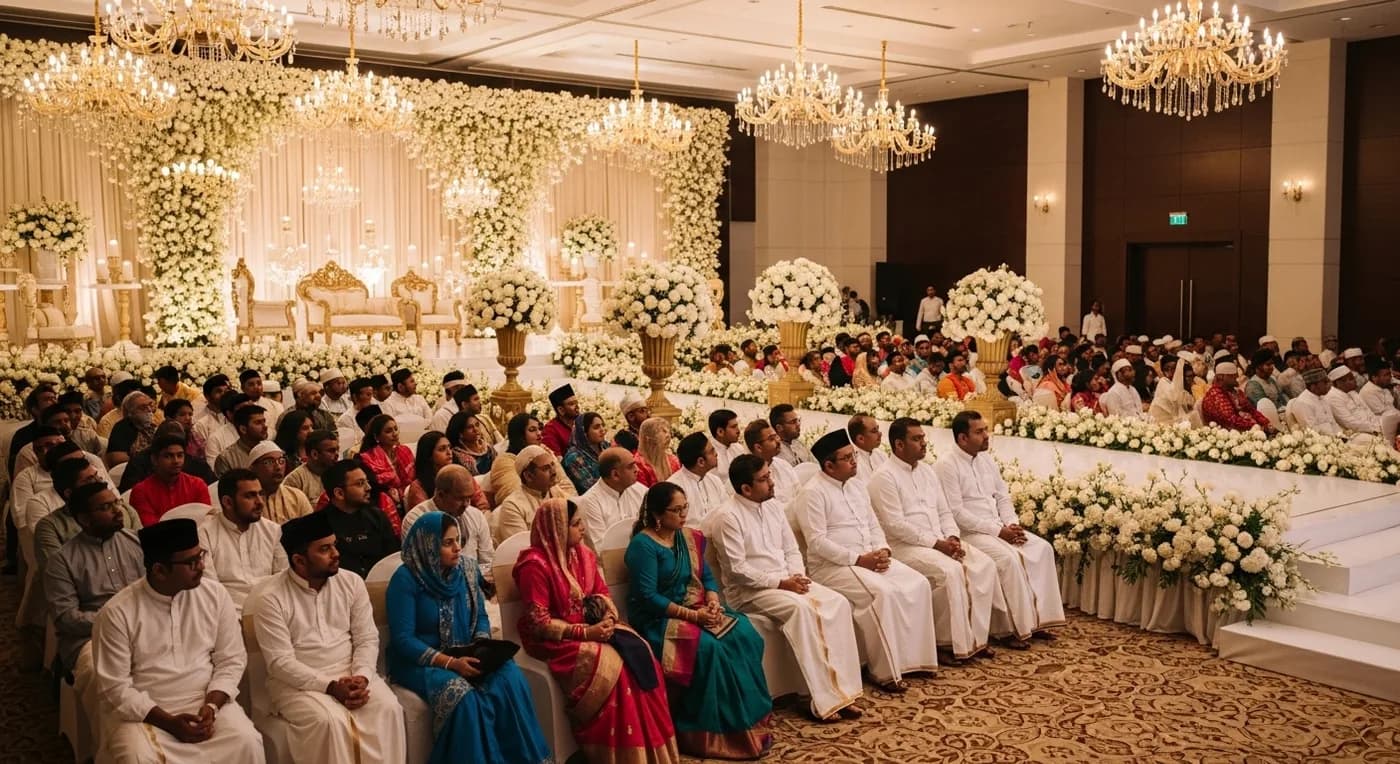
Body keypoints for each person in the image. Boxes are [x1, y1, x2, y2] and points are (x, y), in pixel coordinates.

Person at [513, 499, 681, 763]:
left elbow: (601, 592)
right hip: (557, 638)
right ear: (557, 528)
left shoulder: (583, 554)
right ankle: (618, 754)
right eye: (576, 524)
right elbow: (539, 622)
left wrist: (609, 619)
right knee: (614, 669)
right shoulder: (534, 565)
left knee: (641, 652)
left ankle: (653, 750)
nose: (583, 529)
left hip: (596, 627)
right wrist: (586, 633)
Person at [91, 518, 263, 764]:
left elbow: (232, 659)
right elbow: (115, 688)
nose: (201, 566)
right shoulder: (117, 612)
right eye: (191, 562)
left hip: (204, 699)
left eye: (200, 556)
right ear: (159, 570)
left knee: (248, 742)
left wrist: (212, 707)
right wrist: (170, 723)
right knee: (137, 757)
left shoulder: (214, 594)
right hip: (145, 711)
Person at [624, 482, 773, 758]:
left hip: (699, 607)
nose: (683, 515)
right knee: (709, 650)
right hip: (660, 619)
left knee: (744, 634)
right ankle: (711, 732)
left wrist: (714, 601)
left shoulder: (689, 537)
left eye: (685, 508)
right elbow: (647, 597)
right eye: (676, 510)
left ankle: (751, 720)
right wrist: (693, 616)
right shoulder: (643, 546)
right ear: (658, 515)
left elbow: (705, 577)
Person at [710, 454, 864, 721]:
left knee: (837, 603)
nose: (772, 482)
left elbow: (791, 549)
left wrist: (796, 575)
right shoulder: (728, 517)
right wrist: (781, 583)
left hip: (787, 581)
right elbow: (738, 570)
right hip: (750, 592)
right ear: (745, 488)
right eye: (764, 479)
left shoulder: (772, 506)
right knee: (801, 611)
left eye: (769, 475)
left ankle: (844, 693)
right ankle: (816, 698)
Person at [388, 510, 550, 763]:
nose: (457, 548)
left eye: (458, 540)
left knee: (510, 678)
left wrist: (481, 647)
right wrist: (451, 663)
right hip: (421, 662)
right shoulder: (406, 579)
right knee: (464, 696)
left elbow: (481, 616)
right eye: (447, 543)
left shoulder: (466, 569)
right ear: (428, 545)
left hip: (466, 652)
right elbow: (403, 640)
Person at [253, 512, 407, 764]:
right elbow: (280, 663)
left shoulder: (351, 583)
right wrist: (330, 686)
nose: (336, 553)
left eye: (334, 544)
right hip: (297, 684)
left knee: (388, 708)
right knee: (329, 722)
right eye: (325, 549)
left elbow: (367, 638)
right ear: (299, 560)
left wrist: (362, 676)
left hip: (352, 672)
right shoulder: (270, 598)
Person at [793, 430, 938, 692]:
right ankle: (885, 671)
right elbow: (817, 542)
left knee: (918, 583)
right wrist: (859, 559)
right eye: (847, 458)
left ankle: (916, 661)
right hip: (834, 566)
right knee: (882, 594)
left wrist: (882, 549)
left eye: (853, 456)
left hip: (869, 557)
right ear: (829, 465)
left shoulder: (857, 485)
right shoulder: (812, 493)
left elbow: (873, 523)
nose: (855, 462)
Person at [867, 419, 999, 662]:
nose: (923, 443)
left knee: (984, 565)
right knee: (949, 572)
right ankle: (945, 642)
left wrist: (952, 537)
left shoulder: (927, 471)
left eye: (923, 438)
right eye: (916, 439)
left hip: (940, 540)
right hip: (905, 546)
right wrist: (937, 544)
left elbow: (945, 511)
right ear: (898, 444)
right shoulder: (883, 477)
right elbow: (895, 525)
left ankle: (975, 639)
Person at [936, 412, 1065, 645]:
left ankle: (1039, 621)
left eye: (986, 430)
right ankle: (1010, 630)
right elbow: (956, 512)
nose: (987, 436)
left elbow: (1002, 496)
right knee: (1009, 559)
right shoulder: (946, 465)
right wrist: (998, 532)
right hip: (971, 532)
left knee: (1042, 549)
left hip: (998, 525)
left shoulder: (986, 458)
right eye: (980, 432)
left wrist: (1011, 522)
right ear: (962, 438)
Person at [44, 483, 145, 718]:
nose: (118, 511)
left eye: (116, 503)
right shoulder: (62, 561)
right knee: (102, 676)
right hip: (90, 638)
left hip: (143, 625)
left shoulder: (135, 542)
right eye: (106, 507)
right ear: (85, 519)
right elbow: (67, 619)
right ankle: (109, 741)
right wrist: (117, 623)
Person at [200, 468, 287, 611]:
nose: (260, 502)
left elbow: (283, 579)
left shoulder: (273, 530)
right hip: (227, 613)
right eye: (250, 496)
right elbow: (209, 588)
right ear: (228, 502)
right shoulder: (205, 534)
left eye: (261, 494)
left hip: (270, 611)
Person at [401, 465, 492, 574]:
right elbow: (420, 568)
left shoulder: (476, 515)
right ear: (440, 495)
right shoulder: (416, 520)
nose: (466, 504)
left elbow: (487, 562)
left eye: (469, 498)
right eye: (460, 499)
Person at [320, 460, 399, 578]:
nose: (369, 487)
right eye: (360, 483)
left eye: (366, 482)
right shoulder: (321, 525)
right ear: (339, 493)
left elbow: (392, 558)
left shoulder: (377, 516)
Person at [489, 413, 576, 504]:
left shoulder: (544, 452)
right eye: (532, 430)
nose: (539, 433)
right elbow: (514, 495)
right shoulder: (505, 462)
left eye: (539, 429)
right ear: (519, 435)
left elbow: (567, 486)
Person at [495, 445, 573, 544]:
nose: (553, 471)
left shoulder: (556, 491)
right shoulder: (512, 506)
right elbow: (522, 548)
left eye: (552, 465)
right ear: (528, 476)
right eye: (546, 468)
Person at [129, 435, 212, 527]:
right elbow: (152, 530)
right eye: (168, 456)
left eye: (180, 455)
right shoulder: (140, 492)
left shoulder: (198, 485)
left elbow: (206, 523)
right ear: (154, 460)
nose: (176, 461)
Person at [578, 447, 649, 548]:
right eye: (631, 466)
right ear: (615, 474)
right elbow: (601, 549)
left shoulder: (639, 490)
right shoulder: (590, 502)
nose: (637, 470)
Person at [668, 432, 730, 529]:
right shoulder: (673, 487)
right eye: (712, 451)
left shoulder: (714, 480)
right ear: (701, 462)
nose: (716, 454)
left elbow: (727, 511)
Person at [358, 414, 415, 517]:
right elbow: (373, 487)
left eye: (396, 429)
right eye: (388, 431)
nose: (395, 434)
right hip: (383, 504)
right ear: (376, 437)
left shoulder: (404, 451)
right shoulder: (367, 458)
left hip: (410, 496)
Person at [248, 441, 314, 524]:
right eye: (269, 462)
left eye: (281, 461)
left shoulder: (297, 496)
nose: (278, 467)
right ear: (253, 468)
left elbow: (312, 532)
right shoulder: (246, 501)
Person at [1200, 362, 1273, 434]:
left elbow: (1251, 410)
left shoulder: (1235, 391)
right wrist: (1257, 426)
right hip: (1227, 434)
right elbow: (1231, 420)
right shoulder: (1215, 395)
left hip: (1247, 428)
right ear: (1222, 377)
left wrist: (1265, 423)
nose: (1237, 378)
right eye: (1233, 376)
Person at [745, 419, 801, 511]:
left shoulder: (783, 465)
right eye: (771, 439)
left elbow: (799, 494)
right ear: (758, 447)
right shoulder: (749, 474)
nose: (778, 441)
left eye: (776, 437)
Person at [104, 390, 158, 469]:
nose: (149, 410)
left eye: (150, 405)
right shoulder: (122, 427)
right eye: (143, 407)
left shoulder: (151, 426)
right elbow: (116, 459)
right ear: (131, 412)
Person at [283, 430, 339, 506]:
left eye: (337, 450)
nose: (337, 454)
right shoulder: (295, 480)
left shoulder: (340, 474)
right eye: (331, 451)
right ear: (314, 454)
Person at [214, 405, 270, 477]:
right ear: (243, 429)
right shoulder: (226, 458)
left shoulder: (270, 450)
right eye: (258, 423)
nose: (265, 426)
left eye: (264, 421)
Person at [562, 411, 608, 494]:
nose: (602, 430)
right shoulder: (573, 457)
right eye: (596, 427)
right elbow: (589, 486)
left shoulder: (606, 446)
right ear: (584, 432)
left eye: (603, 425)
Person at [1289, 368, 1345, 436]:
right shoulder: (1302, 403)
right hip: (1323, 442)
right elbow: (1312, 430)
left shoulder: (1323, 398)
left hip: (1337, 438)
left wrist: (1342, 436)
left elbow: (1333, 423)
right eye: (1325, 382)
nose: (1329, 385)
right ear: (1313, 386)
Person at [405, 431, 452, 510]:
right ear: (429, 455)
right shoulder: (418, 487)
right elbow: (424, 517)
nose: (449, 452)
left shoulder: (460, 475)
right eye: (442, 449)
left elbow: (479, 503)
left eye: (449, 447)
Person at [1149, 355, 1196, 426]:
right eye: (1167, 368)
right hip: (1163, 422)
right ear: (1163, 371)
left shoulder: (1182, 384)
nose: (1170, 371)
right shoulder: (1164, 382)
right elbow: (1176, 399)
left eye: (1174, 368)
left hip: (1178, 421)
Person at [635, 417, 679, 487]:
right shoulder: (638, 464)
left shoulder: (673, 460)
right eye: (662, 431)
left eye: (668, 431)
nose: (668, 435)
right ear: (648, 438)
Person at [542, 383, 579, 457]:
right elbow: (555, 460)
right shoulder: (550, 430)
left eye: (576, 403)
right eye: (571, 404)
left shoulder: (582, 422)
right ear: (561, 410)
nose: (577, 406)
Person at [706, 409, 745, 478]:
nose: (738, 431)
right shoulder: (709, 453)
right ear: (720, 432)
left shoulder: (738, 448)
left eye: (737, 426)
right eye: (733, 427)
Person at [847, 414, 886, 480]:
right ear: (860, 439)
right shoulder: (851, 462)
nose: (880, 434)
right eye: (874, 431)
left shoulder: (880, 454)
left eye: (878, 429)